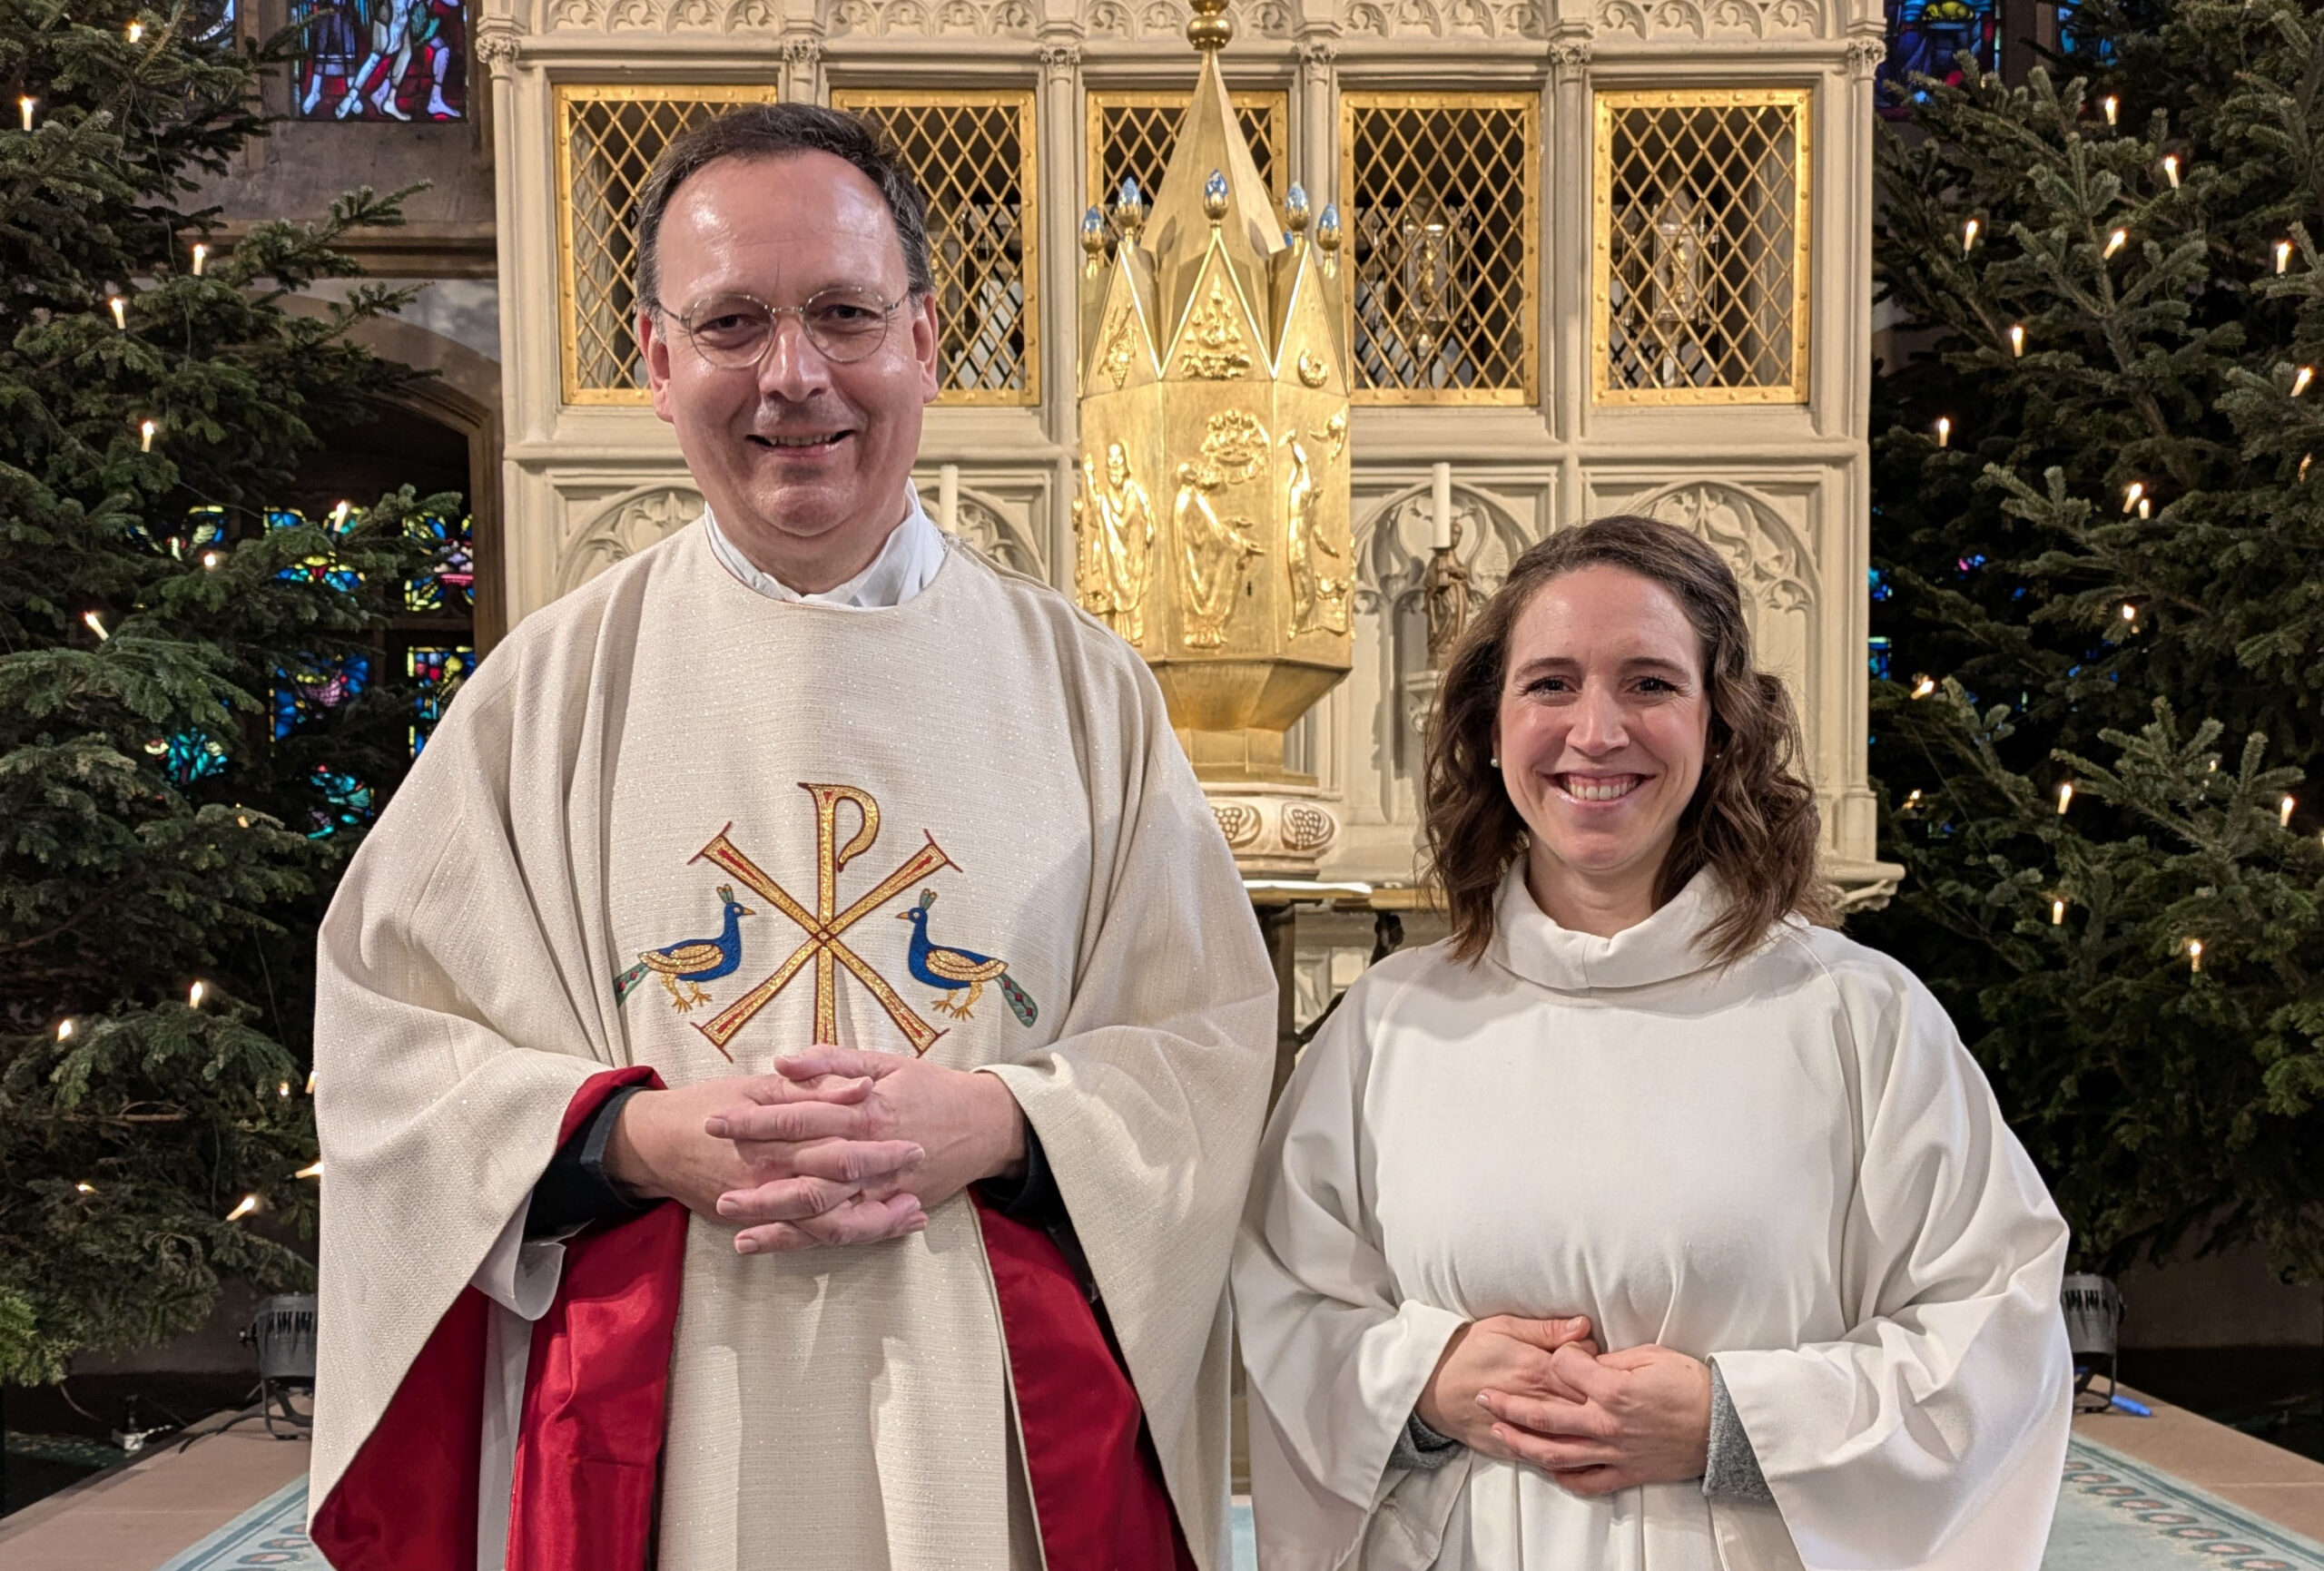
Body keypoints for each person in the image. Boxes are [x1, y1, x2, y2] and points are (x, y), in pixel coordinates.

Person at [306, 104, 1275, 1571]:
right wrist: (632, 1139)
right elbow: (389, 1053)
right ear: (657, 363)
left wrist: (1005, 1124)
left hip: (980, 1424)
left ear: (926, 340)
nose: (793, 375)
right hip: (668, 1424)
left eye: (843, 313)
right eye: (732, 323)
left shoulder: (1087, 694)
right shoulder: (549, 693)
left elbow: (1207, 1053)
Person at [1233, 515, 2072, 1571]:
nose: (1595, 732)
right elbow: (1287, 1302)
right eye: (1549, 685)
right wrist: (1426, 1387)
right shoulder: (1389, 1023)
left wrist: (1731, 1424)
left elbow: (1994, 1331)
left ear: (1719, 728)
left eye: (1649, 684)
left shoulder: (1857, 1017)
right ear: (1489, 728)